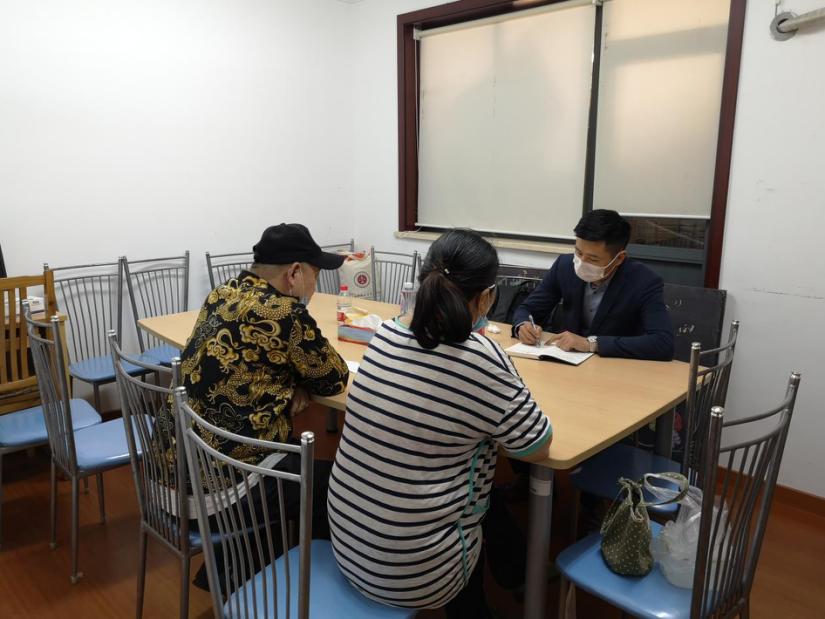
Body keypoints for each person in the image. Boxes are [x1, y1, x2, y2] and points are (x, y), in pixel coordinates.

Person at [327, 229, 553, 618]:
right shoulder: (481, 356)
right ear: (487, 298)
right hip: (417, 575)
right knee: (476, 490)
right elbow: (537, 446)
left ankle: (508, 577)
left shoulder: (385, 333)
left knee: (468, 485)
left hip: (349, 546)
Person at [175, 222, 350, 590]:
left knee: (295, 465)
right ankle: (314, 584)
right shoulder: (285, 314)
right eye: (316, 274)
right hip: (218, 494)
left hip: (175, 470)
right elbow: (333, 377)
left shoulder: (221, 293)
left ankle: (229, 565)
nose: (316, 285)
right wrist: (295, 384)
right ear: (295, 273)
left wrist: (286, 383)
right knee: (337, 481)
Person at [512, 209, 674, 361]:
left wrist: (592, 344)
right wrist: (523, 326)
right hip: (566, 361)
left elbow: (663, 343)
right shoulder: (564, 266)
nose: (582, 262)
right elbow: (528, 309)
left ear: (619, 258)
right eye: (578, 252)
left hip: (615, 368)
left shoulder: (644, 281)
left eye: (593, 259)